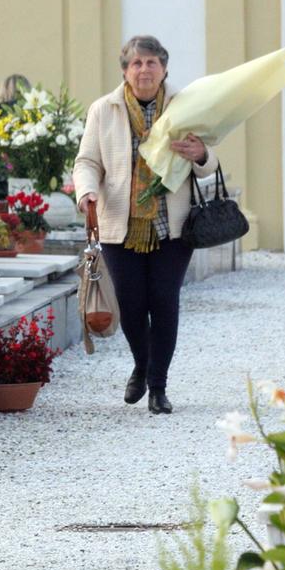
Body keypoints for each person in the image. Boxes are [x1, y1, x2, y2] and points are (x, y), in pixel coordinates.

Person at [72, 35, 219, 414]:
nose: (144, 70)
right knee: (132, 305)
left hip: (174, 226)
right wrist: (86, 192)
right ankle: (142, 363)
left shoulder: (186, 106)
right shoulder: (103, 110)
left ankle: (157, 386)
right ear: (124, 71)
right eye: (136, 63)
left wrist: (201, 153)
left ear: (164, 69)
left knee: (164, 301)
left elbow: (211, 160)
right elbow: (87, 161)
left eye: (152, 62)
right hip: (121, 223)